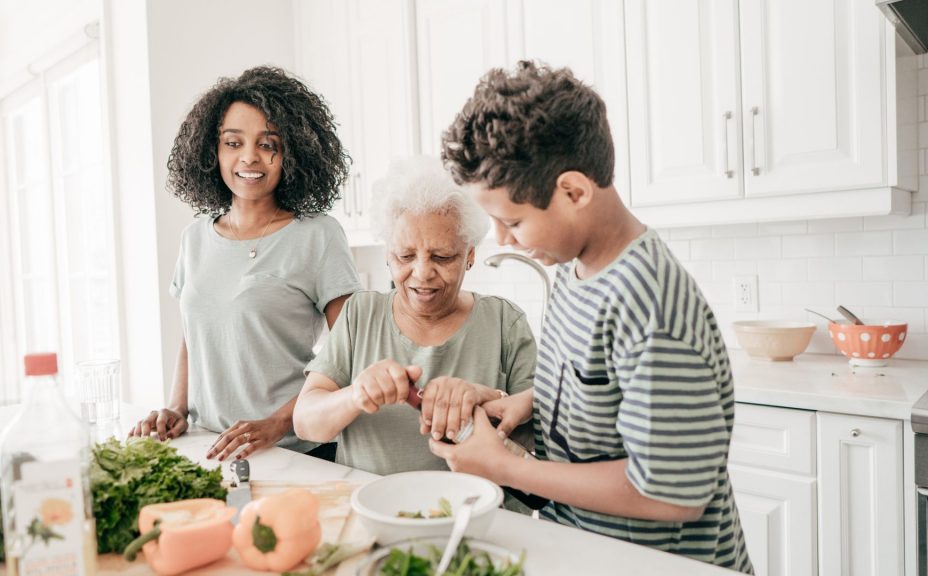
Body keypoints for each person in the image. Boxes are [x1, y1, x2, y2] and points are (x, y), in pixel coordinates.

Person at [434, 61, 753, 573]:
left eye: (512, 221)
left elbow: (672, 495)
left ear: (575, 192)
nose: (500, 239)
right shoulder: (574, 268)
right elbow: (605, 384)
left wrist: (506, 467)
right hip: (592, 552)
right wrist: (522, 406)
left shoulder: (650, 303)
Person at [130, 66, 362, 463]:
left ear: (292, 151)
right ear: (213, 151)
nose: (249, 157)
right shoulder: (195, 237)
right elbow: (194, 337)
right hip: (209, 446)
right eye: (233, 143)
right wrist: (176, 409)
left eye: (267, 143)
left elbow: (353, 352)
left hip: (294, 450)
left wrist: (276, 423)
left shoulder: (318, 236)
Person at [293, 156, 537, 476]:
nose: (422, 274)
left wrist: (486, 403)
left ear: (470, 255)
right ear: (387, 255)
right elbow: (305, 423)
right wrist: (356, 394)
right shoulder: (360, 314)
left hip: (476, 515)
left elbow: (539, 437)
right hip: (376, 510)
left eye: (442, 256)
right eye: (405, 256)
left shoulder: (505, 323)